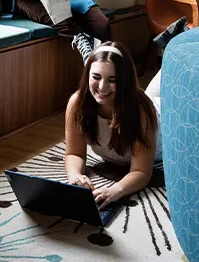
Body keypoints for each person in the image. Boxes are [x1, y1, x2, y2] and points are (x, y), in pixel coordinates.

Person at [64, 41, 161, 207]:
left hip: (167, 116)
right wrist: (75, 175)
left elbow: (142, 171)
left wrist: (115, 191)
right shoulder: (77, 103)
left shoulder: (141, 111)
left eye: (112, 80)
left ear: (124, 81)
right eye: (96, 77)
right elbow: (74, 153)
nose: (102, 87)